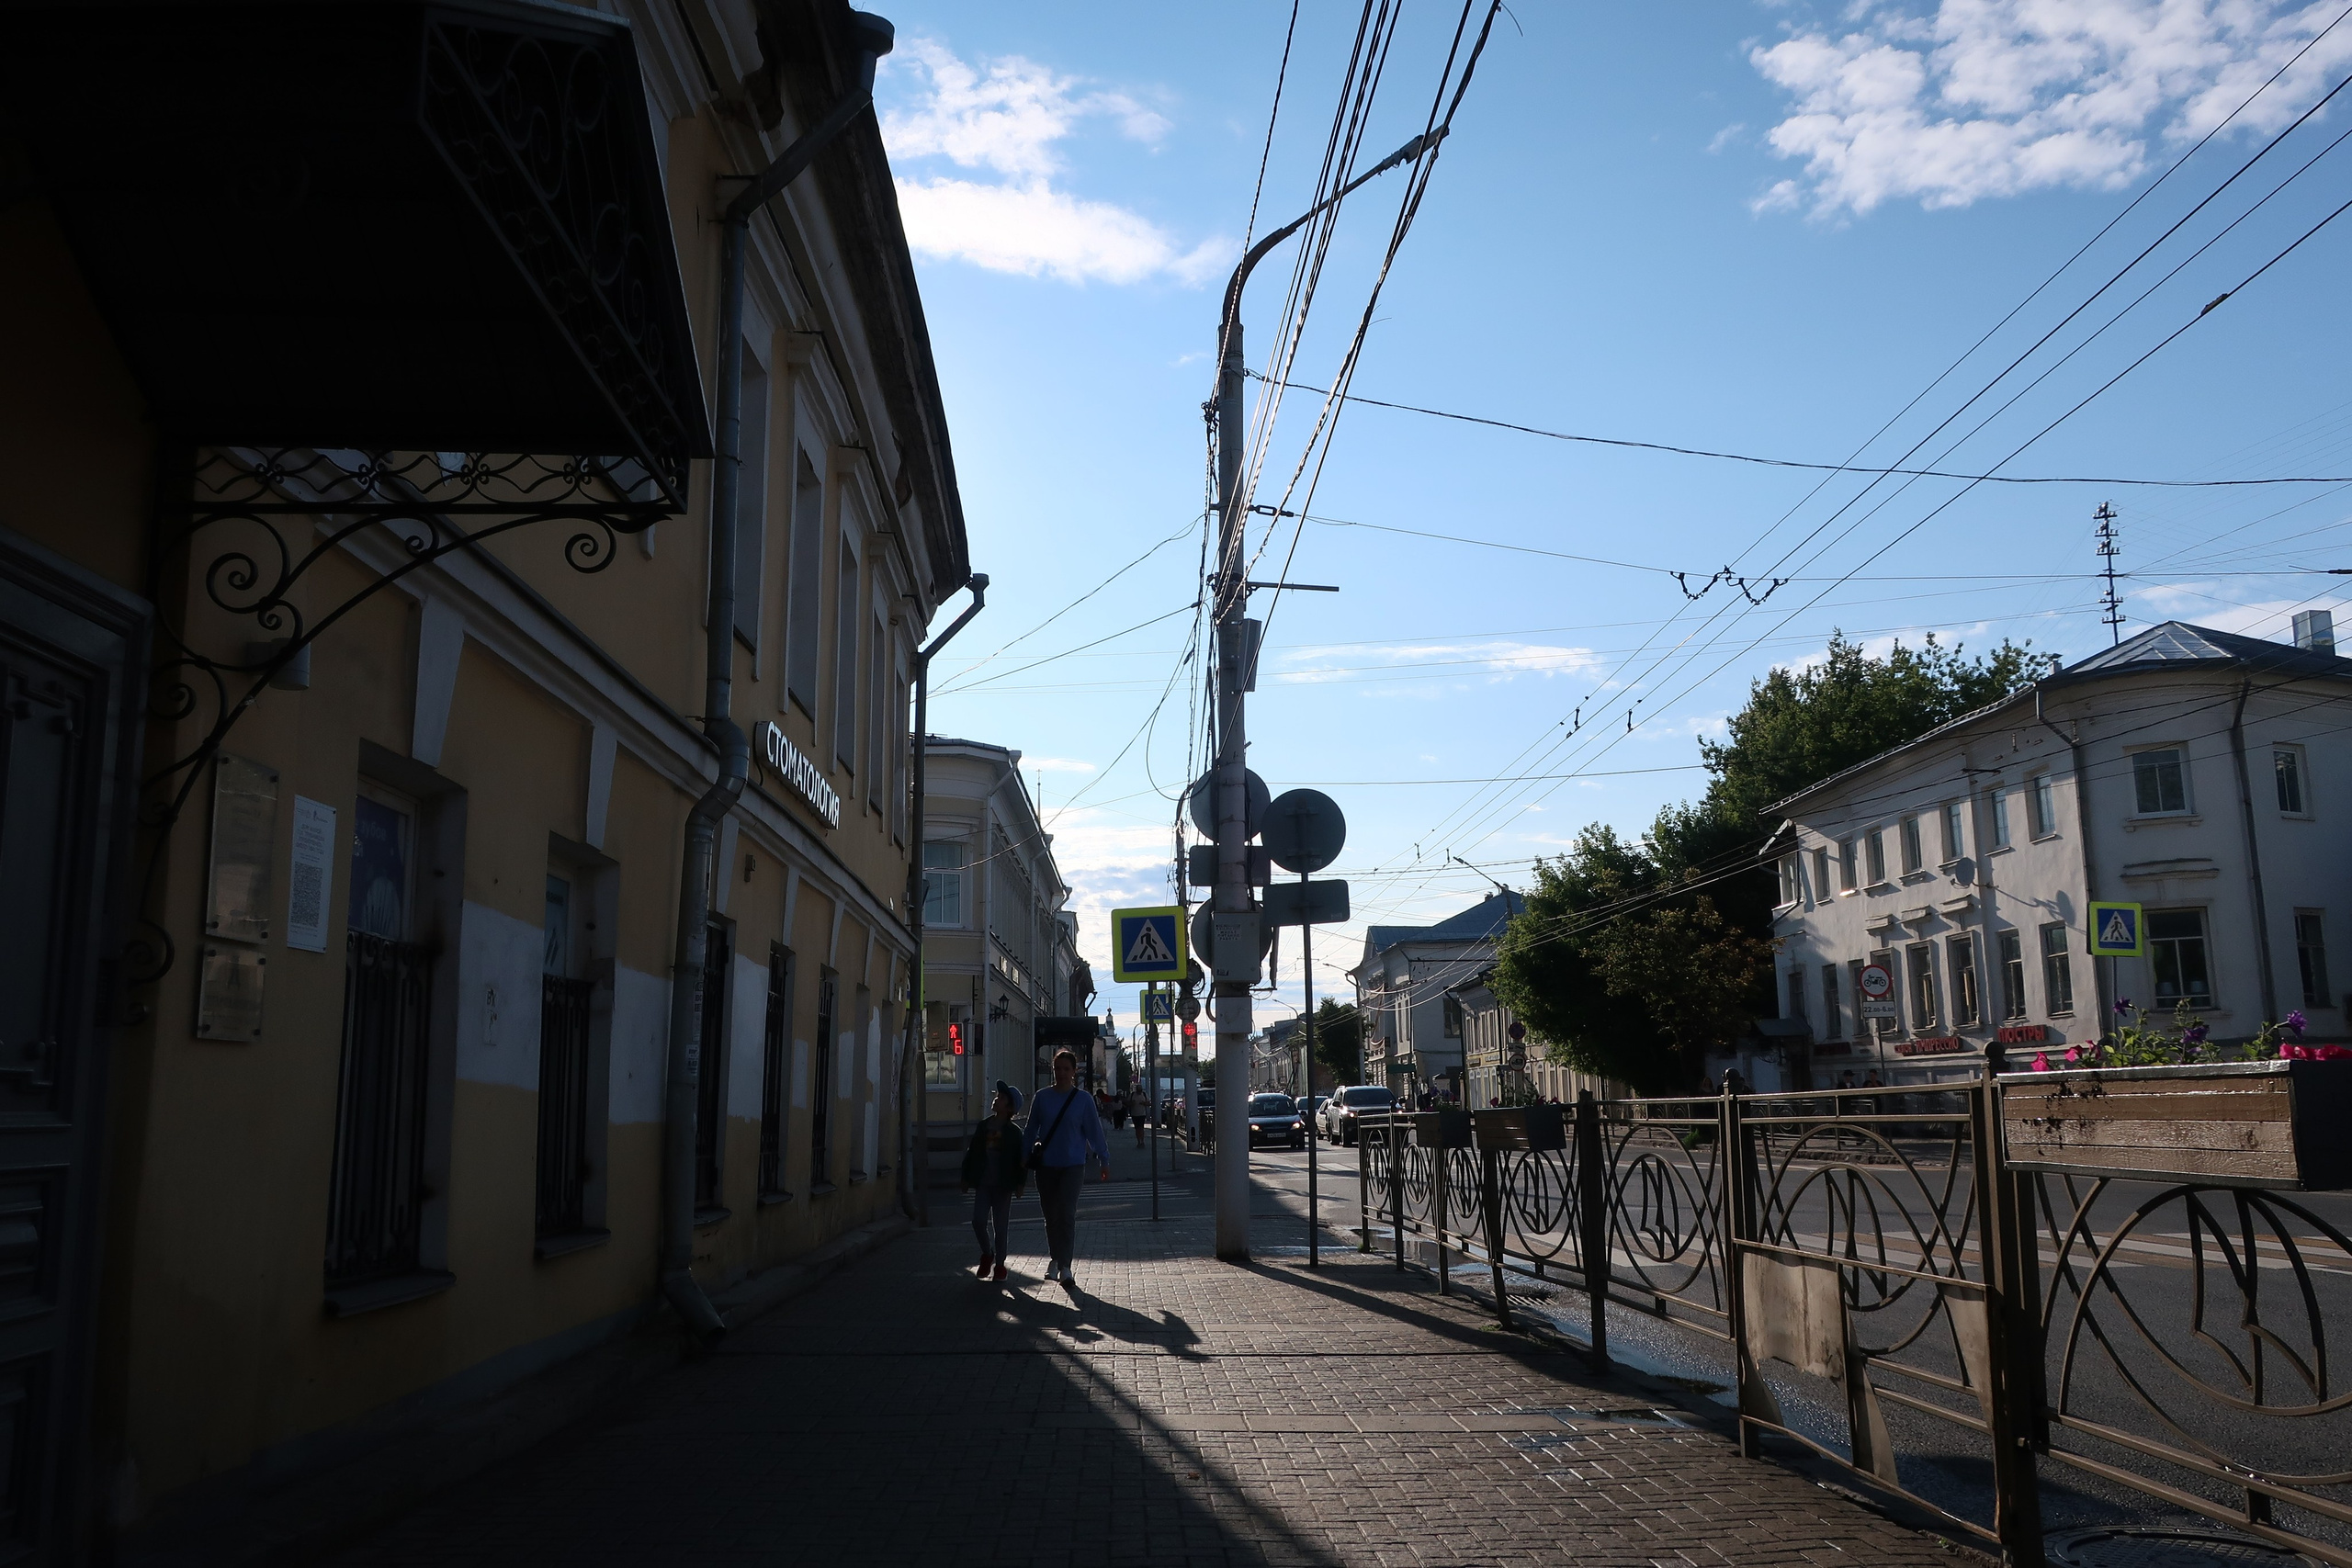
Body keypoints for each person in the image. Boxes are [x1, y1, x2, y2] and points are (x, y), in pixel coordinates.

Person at [1025, 1048, 1110, 1287]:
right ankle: (1055, 1259)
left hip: (1073, 1165)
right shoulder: (1042, 1097)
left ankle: (1066, 1267)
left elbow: (1094, 1131)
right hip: (1046, 1166)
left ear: (1074, 1072)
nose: (1061, 1073)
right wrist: (1023, 1157)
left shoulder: (1082, 1100)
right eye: (1057, 1069)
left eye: (1066, 1069)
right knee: (1051, 1215)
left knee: (1066, 1214)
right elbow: (1031, 1130)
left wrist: (1104, 1159)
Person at [961, 1082, 1025, 1283]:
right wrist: (965, 1177)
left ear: (1010, 1108)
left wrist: (1020, 1183)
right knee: (978, 1221)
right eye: (997, 1096)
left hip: (1003, 1185)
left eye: (1002, 1098)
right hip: (983, 1183)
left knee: (1001, 1226)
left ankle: (1000, 1265)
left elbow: (1020, 1160)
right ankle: (987, 1253)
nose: (996, 1099)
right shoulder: (984, 1126)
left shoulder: (1014, 1133)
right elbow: (971, 1154)